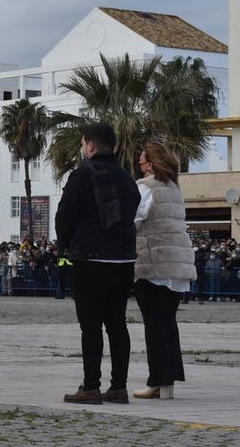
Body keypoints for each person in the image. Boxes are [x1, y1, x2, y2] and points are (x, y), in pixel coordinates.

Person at [55, 122, 141, 405]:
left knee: (90, 326)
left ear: (90, 145)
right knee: (117, 323)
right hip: (123, 259)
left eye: (82, 143)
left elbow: (64, 214)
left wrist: (65, 246)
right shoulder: (128, 178)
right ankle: (119, 386)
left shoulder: (82, 175)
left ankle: (90, 386)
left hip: (90, 258)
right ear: (113, 146)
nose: (82, 148)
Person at [131, 142, 196, 400]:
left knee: (154, 324)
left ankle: (157, 379)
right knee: (168, 322)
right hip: (178, 263)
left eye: (142, 159)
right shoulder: (175, 189)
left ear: (150, 163)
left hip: (153, 261)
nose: (139, 162)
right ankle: (168, 379)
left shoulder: (145, 187)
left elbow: (134, 219)